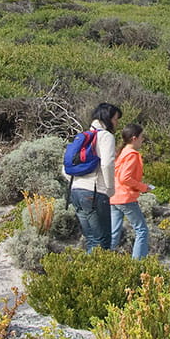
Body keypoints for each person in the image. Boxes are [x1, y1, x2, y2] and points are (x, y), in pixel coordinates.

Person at [66, 103, 121, 249]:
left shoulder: (82, 136)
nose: (117, 123)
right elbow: (107, 164)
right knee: (102, 241)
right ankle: (101, 272)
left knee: (91, 239)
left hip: (76, 192)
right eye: (116, 119)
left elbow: (66, 167)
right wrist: (110, 189)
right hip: (95, 193)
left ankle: (85, 271)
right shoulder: (106, 136)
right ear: (107, 118)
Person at [108, 122, 153, 259]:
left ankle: (103, 261)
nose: (142, 140)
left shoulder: (122, 153)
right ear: (134, 138)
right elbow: (125, 178)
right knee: (142, 230)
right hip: (125, 197)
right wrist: (143, 187)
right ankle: (138, 265)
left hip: (114, 197)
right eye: (141, 137)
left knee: (114, 233)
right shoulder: (132, 155)